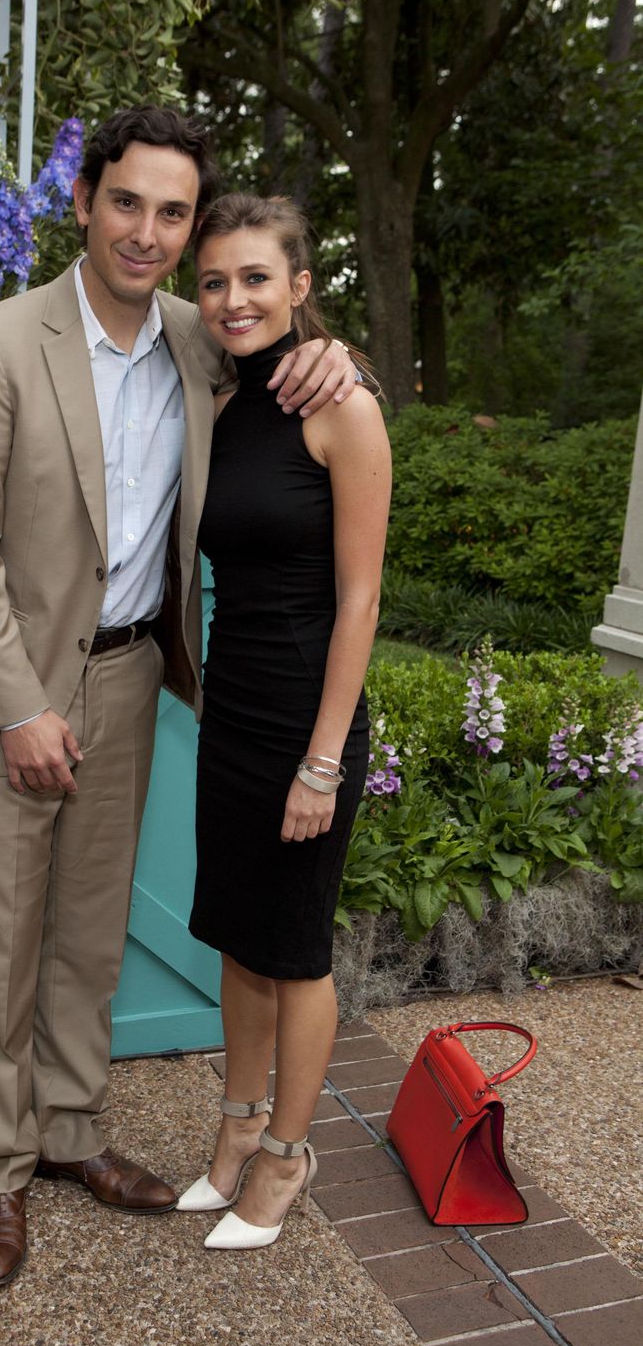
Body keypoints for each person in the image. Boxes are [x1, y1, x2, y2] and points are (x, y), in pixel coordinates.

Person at [0, 109, 360, 1288]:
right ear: (82, 202)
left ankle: (71, 1137)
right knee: (1, 943)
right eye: (128, 202)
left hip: (130, 678)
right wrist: (17, 705)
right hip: (9, 691)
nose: (148, 231)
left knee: (84, 939)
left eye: (173, 212)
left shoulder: (195, 338)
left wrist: (342, 356)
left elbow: (290, 361)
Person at [176, 193, 391, 1250]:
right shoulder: (220, 401)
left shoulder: (339, 404)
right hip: (234, 705)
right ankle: (232, 1127)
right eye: (213, 280)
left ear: (298, 287)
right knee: (237, 934)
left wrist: (320, 762)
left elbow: (360, 600)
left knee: (295, 949)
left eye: (256, 278)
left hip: (310, 718)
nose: (232, 298)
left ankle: (285, 1155)